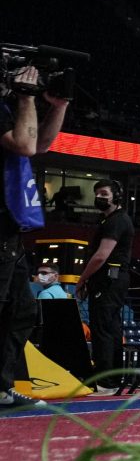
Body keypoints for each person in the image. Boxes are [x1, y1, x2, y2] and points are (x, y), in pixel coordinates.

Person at [0, 64, 68, 410]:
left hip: (9, 229)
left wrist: (59, 106)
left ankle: (1, 387)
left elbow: (40, 143)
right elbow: (25, 146)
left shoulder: (7, 108)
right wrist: (27, 97)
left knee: (22, 310)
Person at [74, 180, 133, 390]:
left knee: (102, 330)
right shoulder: (110, 220)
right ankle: (112, 380)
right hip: (111, 280)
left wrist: (82, 279)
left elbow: (101, 256)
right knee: (111, 329)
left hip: (108, 281)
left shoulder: (116, 221)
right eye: (97, 193)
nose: (99, 197)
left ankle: (105, 382)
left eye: (104, 193)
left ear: (116, 196)